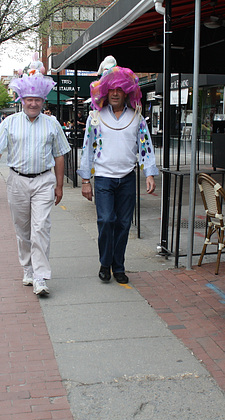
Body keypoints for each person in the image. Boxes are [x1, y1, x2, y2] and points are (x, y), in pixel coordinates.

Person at [0, 58, 70, 297]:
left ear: (43, 101)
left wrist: (59, 185)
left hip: (43, 180)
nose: (33, 103)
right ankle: (28, 268)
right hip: (17, 181)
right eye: (29, 99)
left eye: (37, 100)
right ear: (21, 100)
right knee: (23, 229)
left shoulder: (52, 124)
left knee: (41, 227)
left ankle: (41, 276)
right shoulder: (9, 123)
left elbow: (60, 155)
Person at [77, 56, 159, 284]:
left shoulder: (137, 118)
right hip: (103, 179)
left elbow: (145, 145)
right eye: (111, 89)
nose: (115, 93)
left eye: (119, 89)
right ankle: (105, 263)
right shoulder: (95, 117)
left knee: (123, 223)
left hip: (127, 178)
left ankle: (118, 265)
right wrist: (86, 180)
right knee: (105, 220)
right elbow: (87, 150)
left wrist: (149, 173)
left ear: (126, 92)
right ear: (105, 92)